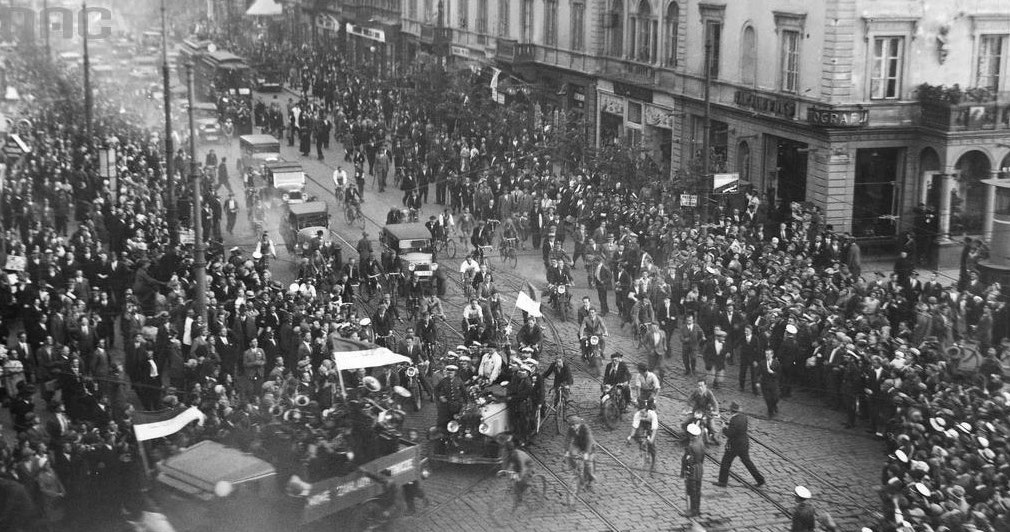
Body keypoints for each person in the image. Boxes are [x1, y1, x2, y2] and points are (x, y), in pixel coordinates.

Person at [715, 402, 765, 487]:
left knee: (725, 462)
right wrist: (729, 424)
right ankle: (760, 480)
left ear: (731, 411)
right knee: (747, 462)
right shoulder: (743, 417)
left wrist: (724, 427)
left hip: (734, 446)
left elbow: (730, 434)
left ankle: (722, 482)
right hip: (744, 444)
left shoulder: (734, 420)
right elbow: (738, 428)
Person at [500, 437, 536, 509]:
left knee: (521, 481)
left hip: (528, 466)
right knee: (514, 481)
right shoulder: (506, 453)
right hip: (517, 465)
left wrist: (520, 477)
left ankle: (526, 489)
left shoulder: (518, 455)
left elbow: (522, 468)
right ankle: (518, 497)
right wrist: (504, 471)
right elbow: (505, 464)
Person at [683, 378, 719, 444]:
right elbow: (689, 399)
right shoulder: (696, 392)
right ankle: (687, 436)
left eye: (701, 385)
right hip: (696, 411)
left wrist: (716, 411)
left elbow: (714, 403)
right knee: (685, 423)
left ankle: (714, 437)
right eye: (698, 386)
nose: (700, 387)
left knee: (712, 427)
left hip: (706, 412)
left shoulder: (709, 393)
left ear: (705, 386)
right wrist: (686, 409)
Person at [627, 399, 658, 475]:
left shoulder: (653, 415)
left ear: (647, 411)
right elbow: (634, 428)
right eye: (640, 412)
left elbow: (654, 430)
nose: (642, 413)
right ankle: (643, 451)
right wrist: (630, 437)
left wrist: (651, 440)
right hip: (642, 424)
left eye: (643, 412)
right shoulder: (637, 415)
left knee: (652, 444)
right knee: (639, 436)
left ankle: (653, 462)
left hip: (650, 425)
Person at [681, 423, 705, 517]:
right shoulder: (700, 442)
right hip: (699, 468)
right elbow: (702, 457)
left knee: (692, 490)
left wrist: (686, 470)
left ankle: (692, 511)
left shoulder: (691, 446)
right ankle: (697, 509)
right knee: (698, 490)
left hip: (692, 470)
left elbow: (689, 460)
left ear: (690, 434)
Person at [565, 417, 597, 486]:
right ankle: (577, 470)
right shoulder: (571, 428)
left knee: (587, 464)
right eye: (571, 425)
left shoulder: (585, 428)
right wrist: (567, 451)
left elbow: (589, 440)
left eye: (574, 425)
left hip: (589, 447)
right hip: (578, 444)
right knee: (571, 454)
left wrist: (586, 453)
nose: (573, 427)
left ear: (579, 424)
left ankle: (591, 478)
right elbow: (567, 439)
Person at [759, 347, 782, 418]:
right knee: (768, 399)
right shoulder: (762, 363)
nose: (767, 356)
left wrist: (773, 373)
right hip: (765, 384)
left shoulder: (776, 363)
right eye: (766, 354)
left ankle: (774, 405)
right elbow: (758, 373)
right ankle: (770, 412)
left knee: (776, 397)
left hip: (774, 384)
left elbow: (780, 374)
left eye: (769, 354)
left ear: (772, 355)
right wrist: (757, 382)